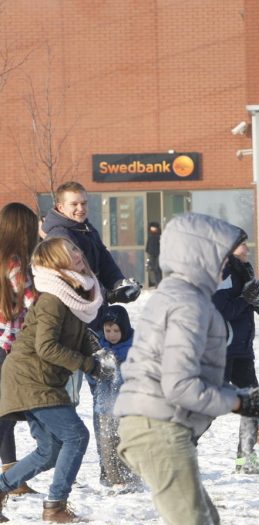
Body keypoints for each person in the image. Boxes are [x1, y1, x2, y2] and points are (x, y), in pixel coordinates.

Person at [115, 213, 259, 525]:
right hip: (156, 427)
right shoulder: (187, 304)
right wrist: (239, 403)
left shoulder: (179, 295)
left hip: (154, 423)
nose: (227, 265)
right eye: (221, 256)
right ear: (200, 254)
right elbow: (179, 385)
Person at [0, 237, 114, 523]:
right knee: (76, 436)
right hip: (30, 378)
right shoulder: (53, 298)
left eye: (75, 248)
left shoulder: (74, 295)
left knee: (49, 451)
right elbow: (46, 347)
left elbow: (77, 335)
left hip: (41, 377)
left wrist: (99, 355)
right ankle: (55, 506)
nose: (76, 254)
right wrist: (89, 365)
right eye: (68, 253)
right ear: (54, 264)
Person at [212, 235, 259, 474]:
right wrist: (245, 300)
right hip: (221, 350)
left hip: (242, 350)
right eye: (240, 243)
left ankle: (245, 459)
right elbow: (221, 309)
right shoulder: (221, 272)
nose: (245, 248)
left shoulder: (245, 270)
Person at [43, 181, 141, 320]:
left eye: (84, 203)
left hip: (93, 307)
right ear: (61, 207)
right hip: (75, 315)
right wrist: (107, 295)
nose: (80, 208)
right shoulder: (60, 237)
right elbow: (72, 278)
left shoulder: (86, 229)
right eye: (74, 204)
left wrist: (119, 284)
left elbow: (104, 261)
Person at [0, 202, 41, 497]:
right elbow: (34, 304)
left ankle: (13, 479)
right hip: (10, 346)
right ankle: (12, 481)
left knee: (7, 414)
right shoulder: (15, 264)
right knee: (9, 414)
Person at [90, 304, 140, 489]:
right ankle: (114, 480)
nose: (111, 334)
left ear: (124, 329)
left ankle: (132, 477)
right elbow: (92, 373)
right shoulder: (100, 347)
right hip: (105, 406)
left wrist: (116, 366)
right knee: (107, 444)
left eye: (116, 330)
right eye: (107, 330)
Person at [146, 221, 162, 287]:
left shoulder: (158, 236)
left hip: (157, 253)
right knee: (153, 269)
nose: (153, 229)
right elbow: (148, 244)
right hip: (152, 253)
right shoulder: (150, 235)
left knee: (157, 268)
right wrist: (148, 251)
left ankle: (159, 283)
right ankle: (156, 283)